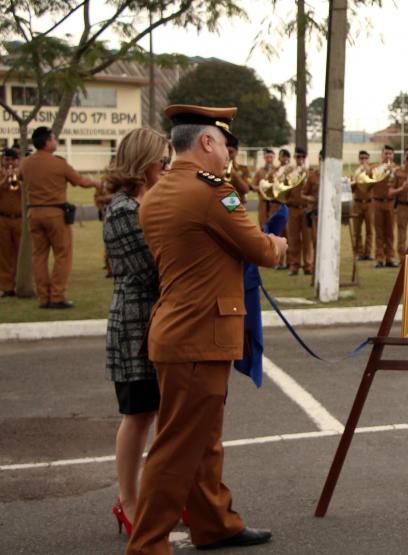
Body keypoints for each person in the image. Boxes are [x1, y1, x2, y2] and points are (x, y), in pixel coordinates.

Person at [126, 104, 288, 554]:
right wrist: (277, 242)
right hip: (200, 334)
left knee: (202, 438)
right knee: (177, 448)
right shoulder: (213, 192)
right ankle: (148, 544)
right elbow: (258, 248)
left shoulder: (156, 194)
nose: (226, 158)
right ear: (206, 143)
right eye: (222, 146)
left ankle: (215, 522)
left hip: (176, 331)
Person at [102, 127, 171, 536]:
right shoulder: (125, 210)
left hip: (155, 320)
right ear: (144, 163)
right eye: (162, 161)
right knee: (137, 414)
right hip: (134, 325)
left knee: (159, 411)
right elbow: (153, 268)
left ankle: (151, 497)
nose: (167, 167)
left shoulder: (145, 202)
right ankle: (127, 500)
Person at [20, 126, 99, 308]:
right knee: (62, 255)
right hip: (55, 214)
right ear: (48, 143)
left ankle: (43, 298)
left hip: (34, 213)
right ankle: (57, 296)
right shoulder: (58, 164)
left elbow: (16, 179)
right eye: (54, 139)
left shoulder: (26, 163)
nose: (56, 141)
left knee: (39, 255)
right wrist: (97, 183)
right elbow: (80, 182)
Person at [0, 148, 23, 297]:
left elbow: (23, 191)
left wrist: (15, 177)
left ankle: (20, 284)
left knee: (21, 254)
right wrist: (4, 180)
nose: (10, 162)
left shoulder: (22, 176)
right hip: (2, 219)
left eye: (13, 160)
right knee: (4, 254)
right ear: (3, 160)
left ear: (17, 161)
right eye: (7, 159)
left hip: (19, 219)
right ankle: (7, 287)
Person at [284, 146, 312, 276]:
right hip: (293, 208)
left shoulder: (309, 172)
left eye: (302, 157)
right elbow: (283, 188)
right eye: (298, 157)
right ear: (294, 158)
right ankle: (294, 265)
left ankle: (308, 265)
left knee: (307, 239)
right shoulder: (289, 172)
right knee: (293, 238)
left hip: (305, 209)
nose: (300, 159)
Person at [370, 145, 398, 268]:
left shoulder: (397, 169)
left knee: (390, 232)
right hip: (377, 202)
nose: (388, 156)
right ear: (382, 155)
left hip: (391, 202)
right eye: (386, 153)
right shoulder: (375, 168)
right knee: (379, 231)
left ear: (393, 155)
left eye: (390, 154)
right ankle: (379, 258)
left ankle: (390, 258)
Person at [351, 150, 375, 261]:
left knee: (369, 230)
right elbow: (351, 188)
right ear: (358, 160)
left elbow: (375, 184)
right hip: (358, 203)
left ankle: (368, 252)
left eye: (366, 158)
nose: (364, 160)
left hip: (369, 203)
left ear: (368, 159)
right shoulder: (355, 172)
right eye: (362, 158)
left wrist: (368, 173)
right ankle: (358, 252)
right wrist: (356, 178)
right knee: (357, 230)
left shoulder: (372, 172)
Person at [252, 148, 278, 226]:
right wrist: (262, 189)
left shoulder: (277, 170)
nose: (269, 159)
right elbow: (253, 186)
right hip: (263, 203)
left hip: (275, 204)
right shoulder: (259, 171)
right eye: (267, 157)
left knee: (275, 228)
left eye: (271, 157)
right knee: (263, 227)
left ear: (274, 158)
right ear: (264, 158)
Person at [225, 140, 251, 204]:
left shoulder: (244, 169)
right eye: (225, 152)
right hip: (220, 205)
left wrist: (234, 174)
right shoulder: (217, 168)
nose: (228, 155)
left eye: (230, 152)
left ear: (237, 152)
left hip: (238, 204)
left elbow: (246, 189)